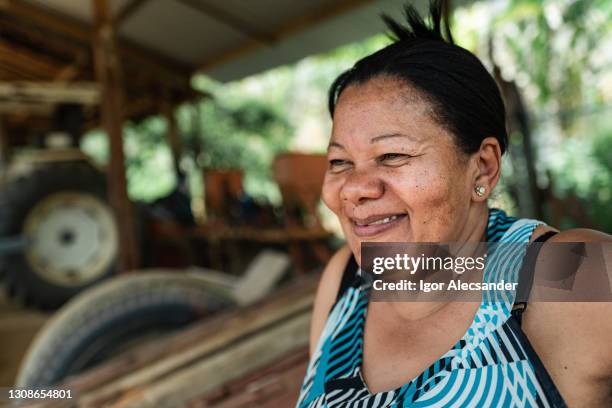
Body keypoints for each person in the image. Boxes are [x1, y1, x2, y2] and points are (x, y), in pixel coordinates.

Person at [296, 1, 612, 407]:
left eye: (392, 156)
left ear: (481, 169)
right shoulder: (346, 279)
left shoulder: (564, 276)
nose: (354, 188)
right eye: (339, 162)